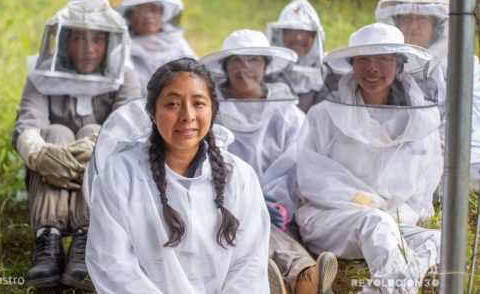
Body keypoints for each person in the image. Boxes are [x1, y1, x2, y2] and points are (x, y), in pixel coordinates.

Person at [85, 58, 271, 293]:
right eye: (173, 104)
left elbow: (249, 263)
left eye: (199, 103)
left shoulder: (240, 176)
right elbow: (112, 263)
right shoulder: (120, 173)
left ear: (212, 111)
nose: (187, 115)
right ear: (152, 112)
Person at [12, 0, 140, 291]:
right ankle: (48, 238)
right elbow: (28, 122)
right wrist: (40, 153)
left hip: (103, 176)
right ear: (66, 39)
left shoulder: (125, 75)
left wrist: (97, 147)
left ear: (109, 42)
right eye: (79, 38)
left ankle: (88, 236)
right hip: (48, 172)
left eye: (97, 39)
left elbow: (130, 128)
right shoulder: (42, 74)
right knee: (54, 132)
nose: (88, 48)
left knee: (95, 132)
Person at [297, 23, 442, 294]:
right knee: (376, 222)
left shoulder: (419, 122)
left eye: (383, 59)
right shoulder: (323, 116)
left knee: (441, 241)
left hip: (391, 224)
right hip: (331, 220)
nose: (372, 68)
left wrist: (401, 213)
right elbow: (312, 180)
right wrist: (370, 204)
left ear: (398, 66)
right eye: (363, 59)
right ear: (352, 65)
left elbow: (423, 188)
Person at [202, 29, 337, 294]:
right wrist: (246, 199)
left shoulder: (287, 114)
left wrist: (274, 202)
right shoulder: (207, 112)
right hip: (222, 204)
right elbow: (204, 162)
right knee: (241, 227)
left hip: (280, 210)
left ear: (265, 66)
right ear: (225, 68)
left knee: (268, 228)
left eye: (253, 61)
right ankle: (302, 276)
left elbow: (298, 165)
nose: (244, 69)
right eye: (236, 62)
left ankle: (290, 277)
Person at [376, 0, 480, 190]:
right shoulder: (385, 61)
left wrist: (438, 146)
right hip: (398, 147)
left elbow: (470, 115)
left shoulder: (465, 63)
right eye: (407, 18)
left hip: (454, 146)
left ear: (437, 24)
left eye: (421, 19)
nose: (413, 26)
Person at [115, 0, 197, 93]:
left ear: (161, 14)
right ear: (129, 17)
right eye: (141, 11)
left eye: (153, 10)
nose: (148, 16)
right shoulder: (122, 48)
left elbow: (198, 73)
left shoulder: (176, 41)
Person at [267, 0, 326, 112]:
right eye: (291, 31)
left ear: (315, 37)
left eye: (305, 32)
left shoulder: (327, 75)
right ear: (280, 34)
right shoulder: (265, 72)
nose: (298, 37)